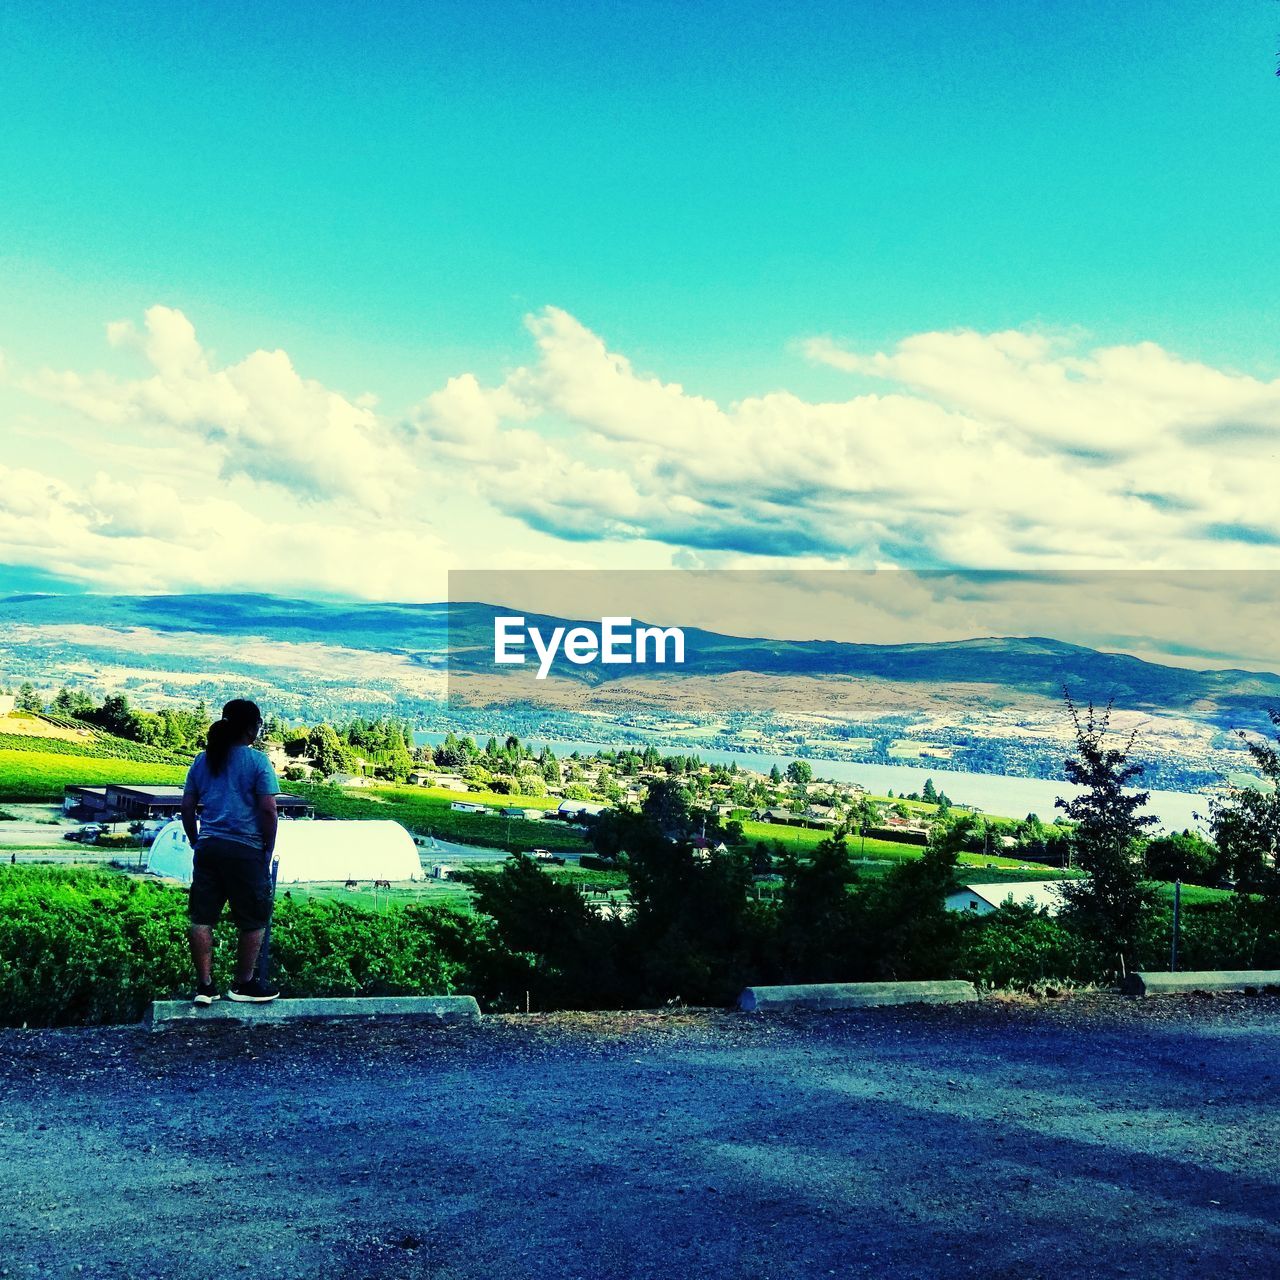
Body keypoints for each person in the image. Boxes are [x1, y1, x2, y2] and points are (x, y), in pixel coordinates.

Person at [181, 698, 281, 1004]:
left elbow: (186, 807)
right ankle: (243, 985)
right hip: (245, 850)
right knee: (253, 920)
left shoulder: (202, 760)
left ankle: (204, 987)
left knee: (202, 917)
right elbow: (268, 812)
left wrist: (197, 840)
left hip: (209, 848)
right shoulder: (257, 762)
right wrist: (267, 849)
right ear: (251, 729)